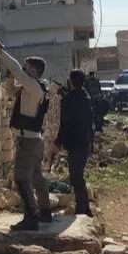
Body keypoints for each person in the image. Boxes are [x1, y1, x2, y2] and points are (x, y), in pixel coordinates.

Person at [0, 40, 56, 231]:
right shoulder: (32, 87)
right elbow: (10, 92)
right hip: (33, 139)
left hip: (29, 140)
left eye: (27, 68)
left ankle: (31, 217)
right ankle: (45, 211)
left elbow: (17, 69)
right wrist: (10, 76)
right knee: (36, 177)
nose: (24, 71)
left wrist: (1, 52)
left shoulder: (34, 87)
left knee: (21, 179)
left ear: (34, 71)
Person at [51, 69, 95, 217]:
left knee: (76, 177)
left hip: (75, 144)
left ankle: (82, 209)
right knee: (78, 175)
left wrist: (58, 144)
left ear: (71, 82)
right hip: (85, 142)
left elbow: (65, 125)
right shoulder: (86, 97)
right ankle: (85, 207)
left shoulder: (68, 101)